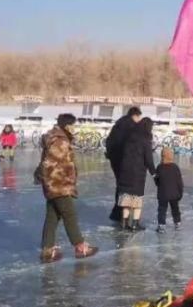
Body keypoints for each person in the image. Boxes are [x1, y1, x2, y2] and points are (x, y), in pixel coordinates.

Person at [35, 113, 97, 262]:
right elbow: (50, 163)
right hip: (59, 185)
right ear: (67, 125)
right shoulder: (60, 140)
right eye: (73, 125)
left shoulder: (55, 138)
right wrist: (60, 179)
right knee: (70, 214)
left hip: (53, 185)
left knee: (52, 216)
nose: (75, 128)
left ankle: (47, 250)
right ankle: (80, 247)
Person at [116, 117, 156, 231]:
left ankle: (124, 223)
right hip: (137, 174)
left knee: (126, 199)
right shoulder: (145, 140)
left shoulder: (128, 138)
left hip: (125, 172)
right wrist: (154, 174)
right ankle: (135, 224)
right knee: (137, 200)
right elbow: (148, 160)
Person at [105, 106, 143, 222]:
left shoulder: (119, 123)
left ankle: (118, 212)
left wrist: (110, 154)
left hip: (115, 159)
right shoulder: (130, 125)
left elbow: (109, 141)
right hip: (123, 160)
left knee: (121, 186)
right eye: (139, 117)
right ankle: (120, 213)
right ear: (135, 115)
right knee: (125, 187)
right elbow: (131, 144)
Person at [154, 147, 184, 232]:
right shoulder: (175, 167)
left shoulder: (159, 167)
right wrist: (180, 193)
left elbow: (157, 181)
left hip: (163, 193)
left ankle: (161, 226)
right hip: (174, 193)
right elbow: (179, 182)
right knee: (175, 208)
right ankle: (177, 223)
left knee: (162, 209)